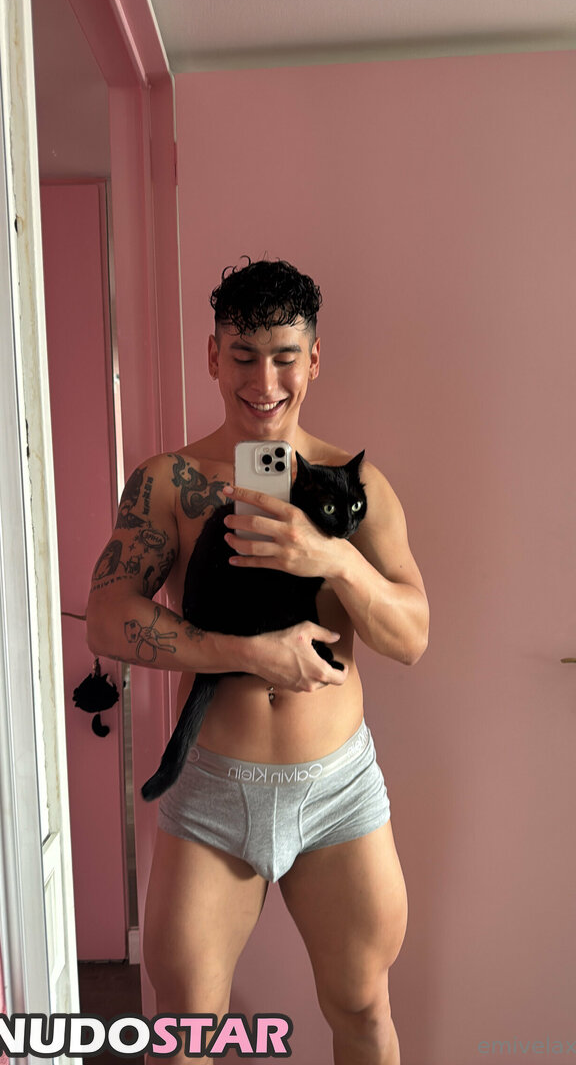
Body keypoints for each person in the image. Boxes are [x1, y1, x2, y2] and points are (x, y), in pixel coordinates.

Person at [86, 258, 429, 1064]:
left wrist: (330, 557)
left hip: (337, 792)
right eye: (243, 356)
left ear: (314, 359)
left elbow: (411, 636)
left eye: (284, 357)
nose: (264, 381)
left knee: (363, 1008)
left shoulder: (357, 487)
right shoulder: (168, 482)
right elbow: (107, 618)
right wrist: (247, 654)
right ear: (213, 356)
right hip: (212, 791)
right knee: (185, 1028)